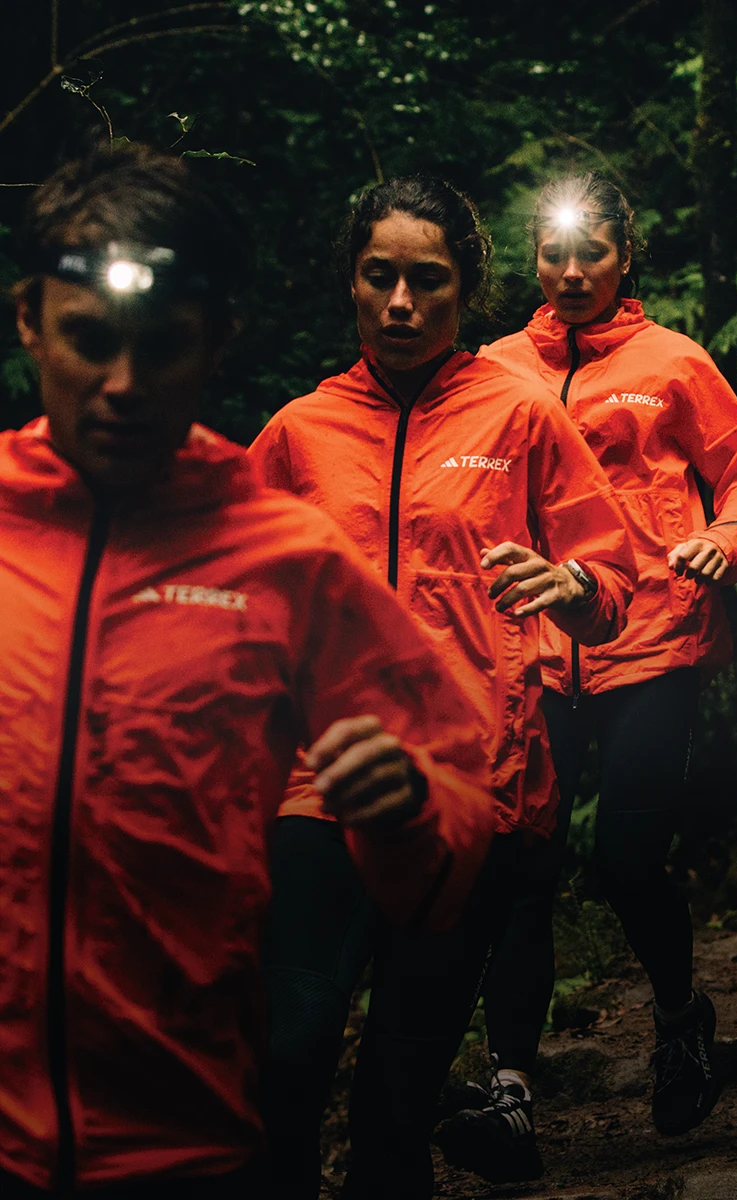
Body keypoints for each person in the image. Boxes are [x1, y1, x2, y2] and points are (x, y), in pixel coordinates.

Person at [0, 142, 496, 1198]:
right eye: (89, 341)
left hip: (192, 1139)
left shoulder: (283, 558)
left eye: (162, 347)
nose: (123, 385)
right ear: (30, 321)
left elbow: (457, 791)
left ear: (218, 338)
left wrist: (405, 804)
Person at [248, 175, 637, 1199]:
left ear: (467, 289)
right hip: (316, 784)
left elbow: (613, 579)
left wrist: (577, 583)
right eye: (380, 277)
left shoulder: (518, 417)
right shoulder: (296, 433)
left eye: (428, 280)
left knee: (395, 1103)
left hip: (466, 796)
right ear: (352, 282)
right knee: (285, 1057)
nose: (401, 303)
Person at [434, 171, 737, 1182]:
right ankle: (510, 1095)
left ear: (625, 257)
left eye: (593, 250)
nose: (574, 269)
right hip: (531, 656)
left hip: (653, 645)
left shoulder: (671, 361)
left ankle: (680, 1020)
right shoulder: (493, 370)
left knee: (627, 860)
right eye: (555, 252)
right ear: (534, 262)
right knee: (521, 877)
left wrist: (729, 536)